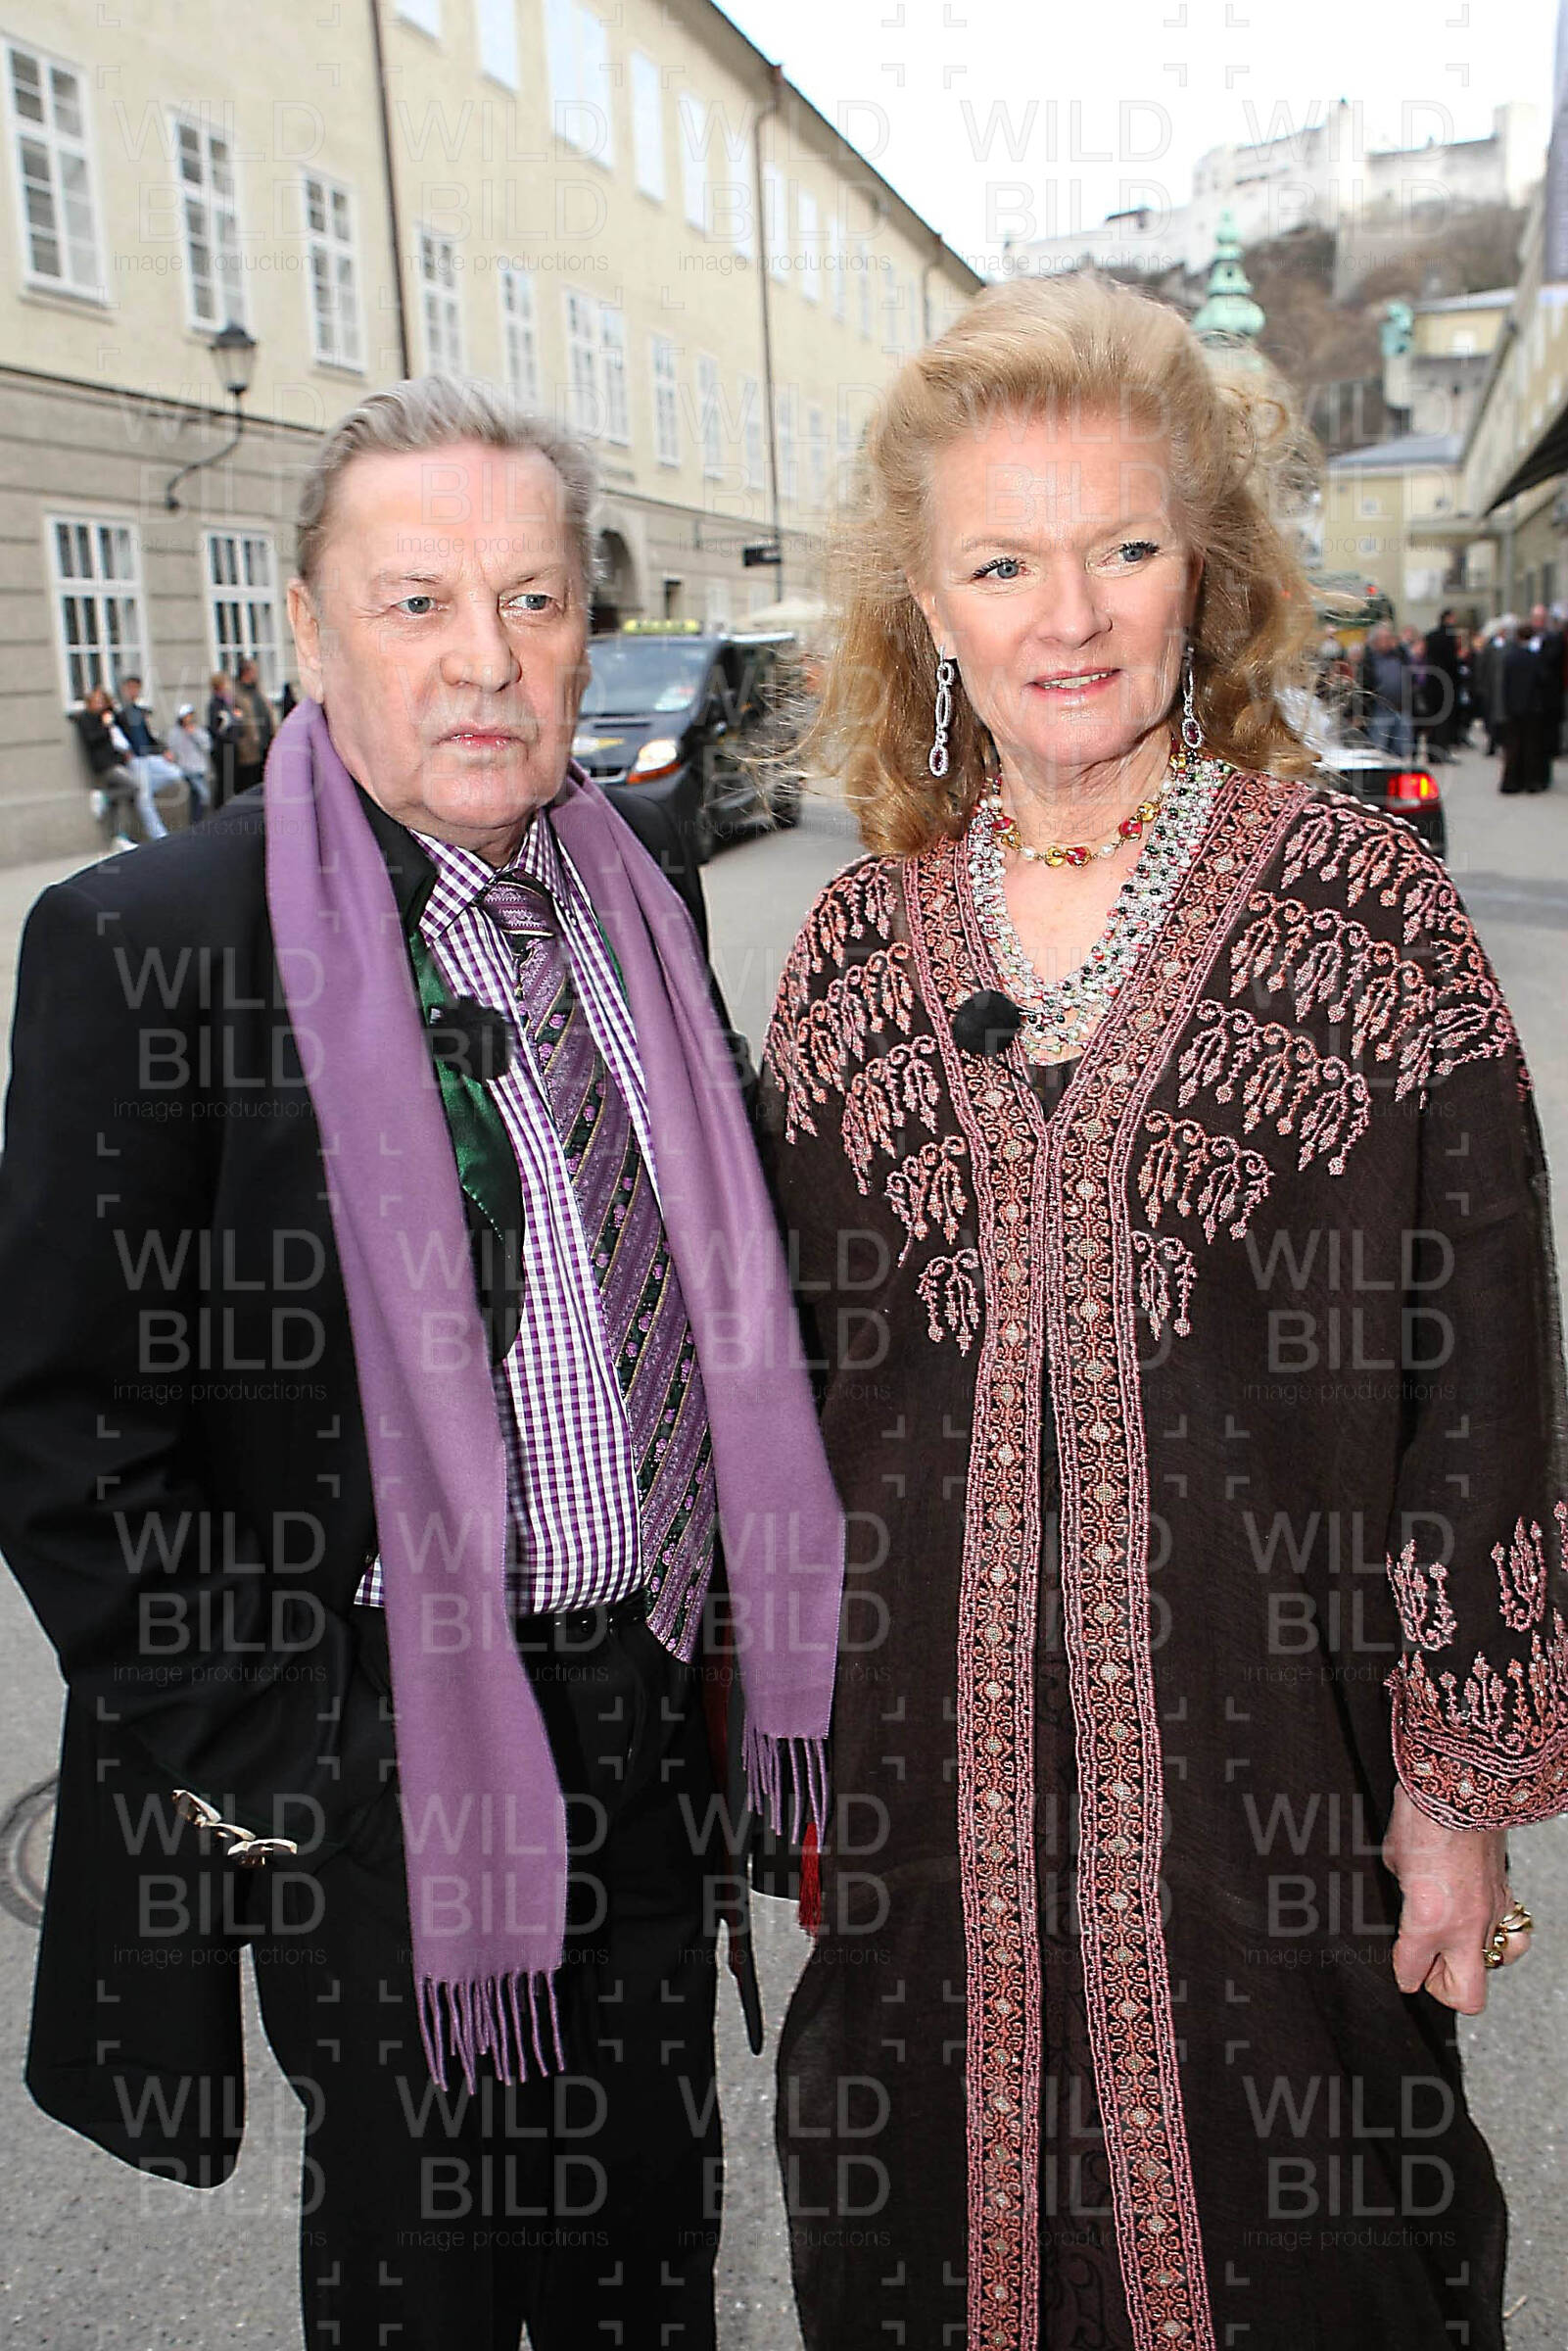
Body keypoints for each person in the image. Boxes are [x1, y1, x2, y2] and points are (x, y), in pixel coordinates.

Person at [758, 274, 1566, 2351]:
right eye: (1000, 564)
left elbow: (1478, 1372)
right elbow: (786, 1404)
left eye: (1120, 547)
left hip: (1273, 1804)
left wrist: (1453, 1790)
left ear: (1202, 567)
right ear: (923, 605)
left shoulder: (1366, 913)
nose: (1067, 616)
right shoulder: (850, 952)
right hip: (924, 1829)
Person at [0, 376, 844, 2351]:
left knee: (649, 2240)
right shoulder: (154, 938)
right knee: (438, 2275)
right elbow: (62, 1428)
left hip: (649, 1702)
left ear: (585, 632)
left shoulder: (638, 881)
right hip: (387, 1743)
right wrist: (295, 1761)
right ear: (310, 631)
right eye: (416, 603)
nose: (484, 660)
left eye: (532, 600)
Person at [112, 673, 186, 839]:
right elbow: (114, 735)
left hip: (147, 756)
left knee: (175, 773)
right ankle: (159, 835)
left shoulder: (138, 711)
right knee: (145, 802)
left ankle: (144, 789)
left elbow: (148, 736)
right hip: (135, 759)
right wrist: (124, 753)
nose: (133, 691)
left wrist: (163, 750)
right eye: (130, 688)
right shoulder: (118, 712)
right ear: (124, 689)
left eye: (136, 688)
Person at [1499, 618, 1547, 794]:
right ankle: (1530, 781)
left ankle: (1511, 782)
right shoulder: (1535, 658)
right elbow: (1542, 679)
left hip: (1513, 707)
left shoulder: (1510, 657)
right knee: (1530, 745)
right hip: (1532, 707)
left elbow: (1505, 683)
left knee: (1513, 745)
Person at [1356, 619, 1413, 757]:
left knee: (1402, 748)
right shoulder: (1369, 661)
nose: (1388, 641)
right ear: (1375, 641)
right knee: (1379, 748)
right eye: (1385, 638)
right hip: (1380, 710)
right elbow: (1363, 688)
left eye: (1390, 637)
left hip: (1401, 708)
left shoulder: (1399, 656)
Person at [1524, 601, 1564, 790]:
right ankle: (1531, 774)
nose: (1537, 622)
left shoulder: (1553, 639)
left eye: (1540, 619)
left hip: (1547, 699)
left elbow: (1550, 665)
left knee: (1545, 740)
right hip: (1530, 699)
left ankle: (1543, 777)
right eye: (1535, 619)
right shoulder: (1527, 639)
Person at [231, 653, 274, 796]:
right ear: (246, 672)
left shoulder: (257, 691)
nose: (256, 674)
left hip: (264, 744)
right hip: (249, 748)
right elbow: (236, 721)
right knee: (250, 785)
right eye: (254, 671)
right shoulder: (237, 694)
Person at [1422, 605, 1461, 756]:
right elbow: (1452, 661)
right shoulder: (1449, 637)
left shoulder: (1431, 636)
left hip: (1433, 682)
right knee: (1445, 719)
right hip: (1446, 683)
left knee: (1434, 718)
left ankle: (1433, 751)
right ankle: (1441, 749)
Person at [166, 702, 214, 819]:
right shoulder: (175, 733)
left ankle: (195, 819)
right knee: (204, 795)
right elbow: (172, 750)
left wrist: (194, 734)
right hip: (187, 769)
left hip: (199, 768)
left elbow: (207, 746)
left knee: (196, 796)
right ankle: (198, 820)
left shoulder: (198, 730)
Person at [206, 669, 241, 807]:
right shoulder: (215, 704)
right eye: (226, 683)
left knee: (232, 780)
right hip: (222, 748)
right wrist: (229, 738)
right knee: (224, 781)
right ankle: (220, 809)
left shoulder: (228, 703)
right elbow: (216, 728)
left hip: (231, 746)